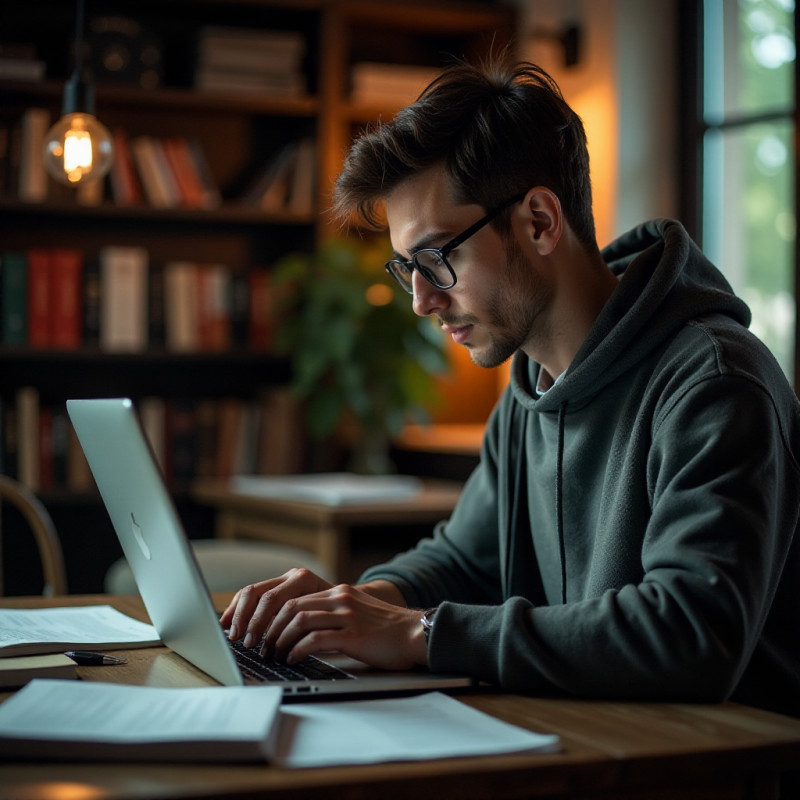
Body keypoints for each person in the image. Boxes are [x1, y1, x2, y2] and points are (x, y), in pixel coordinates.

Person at [221, 59, 800, 717]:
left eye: (439, 258)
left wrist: (419, 633)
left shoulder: (714, 383)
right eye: (408, 267)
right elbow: (464, 560)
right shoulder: (530, 386)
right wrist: (354, 605)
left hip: (726, 766)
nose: (421, 301)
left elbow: (691, 633)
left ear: (539, 222)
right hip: (596, 742)